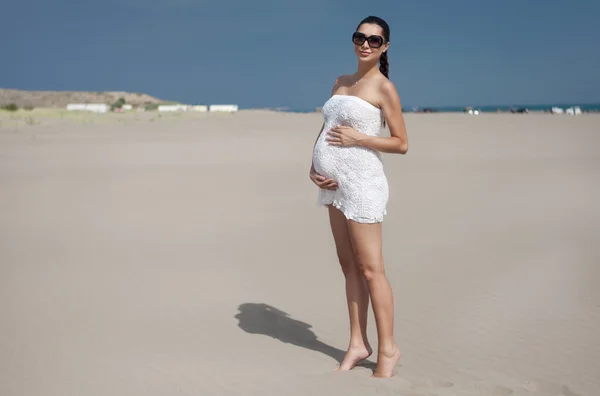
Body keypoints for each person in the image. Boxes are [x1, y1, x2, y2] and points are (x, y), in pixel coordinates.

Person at [309, 15, 408, 378]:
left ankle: (388, 349)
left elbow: (401, 143)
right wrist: (313, 167)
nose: (365, 44)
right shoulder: (340, 82)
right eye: (360, 37)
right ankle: (357, 343)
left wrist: (359, 139)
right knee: (348, 266)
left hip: (363, 185)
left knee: (371, 269)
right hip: (334, 186)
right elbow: (326, 130)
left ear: (385, 46)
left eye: (374, 40)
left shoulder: (384, 88)